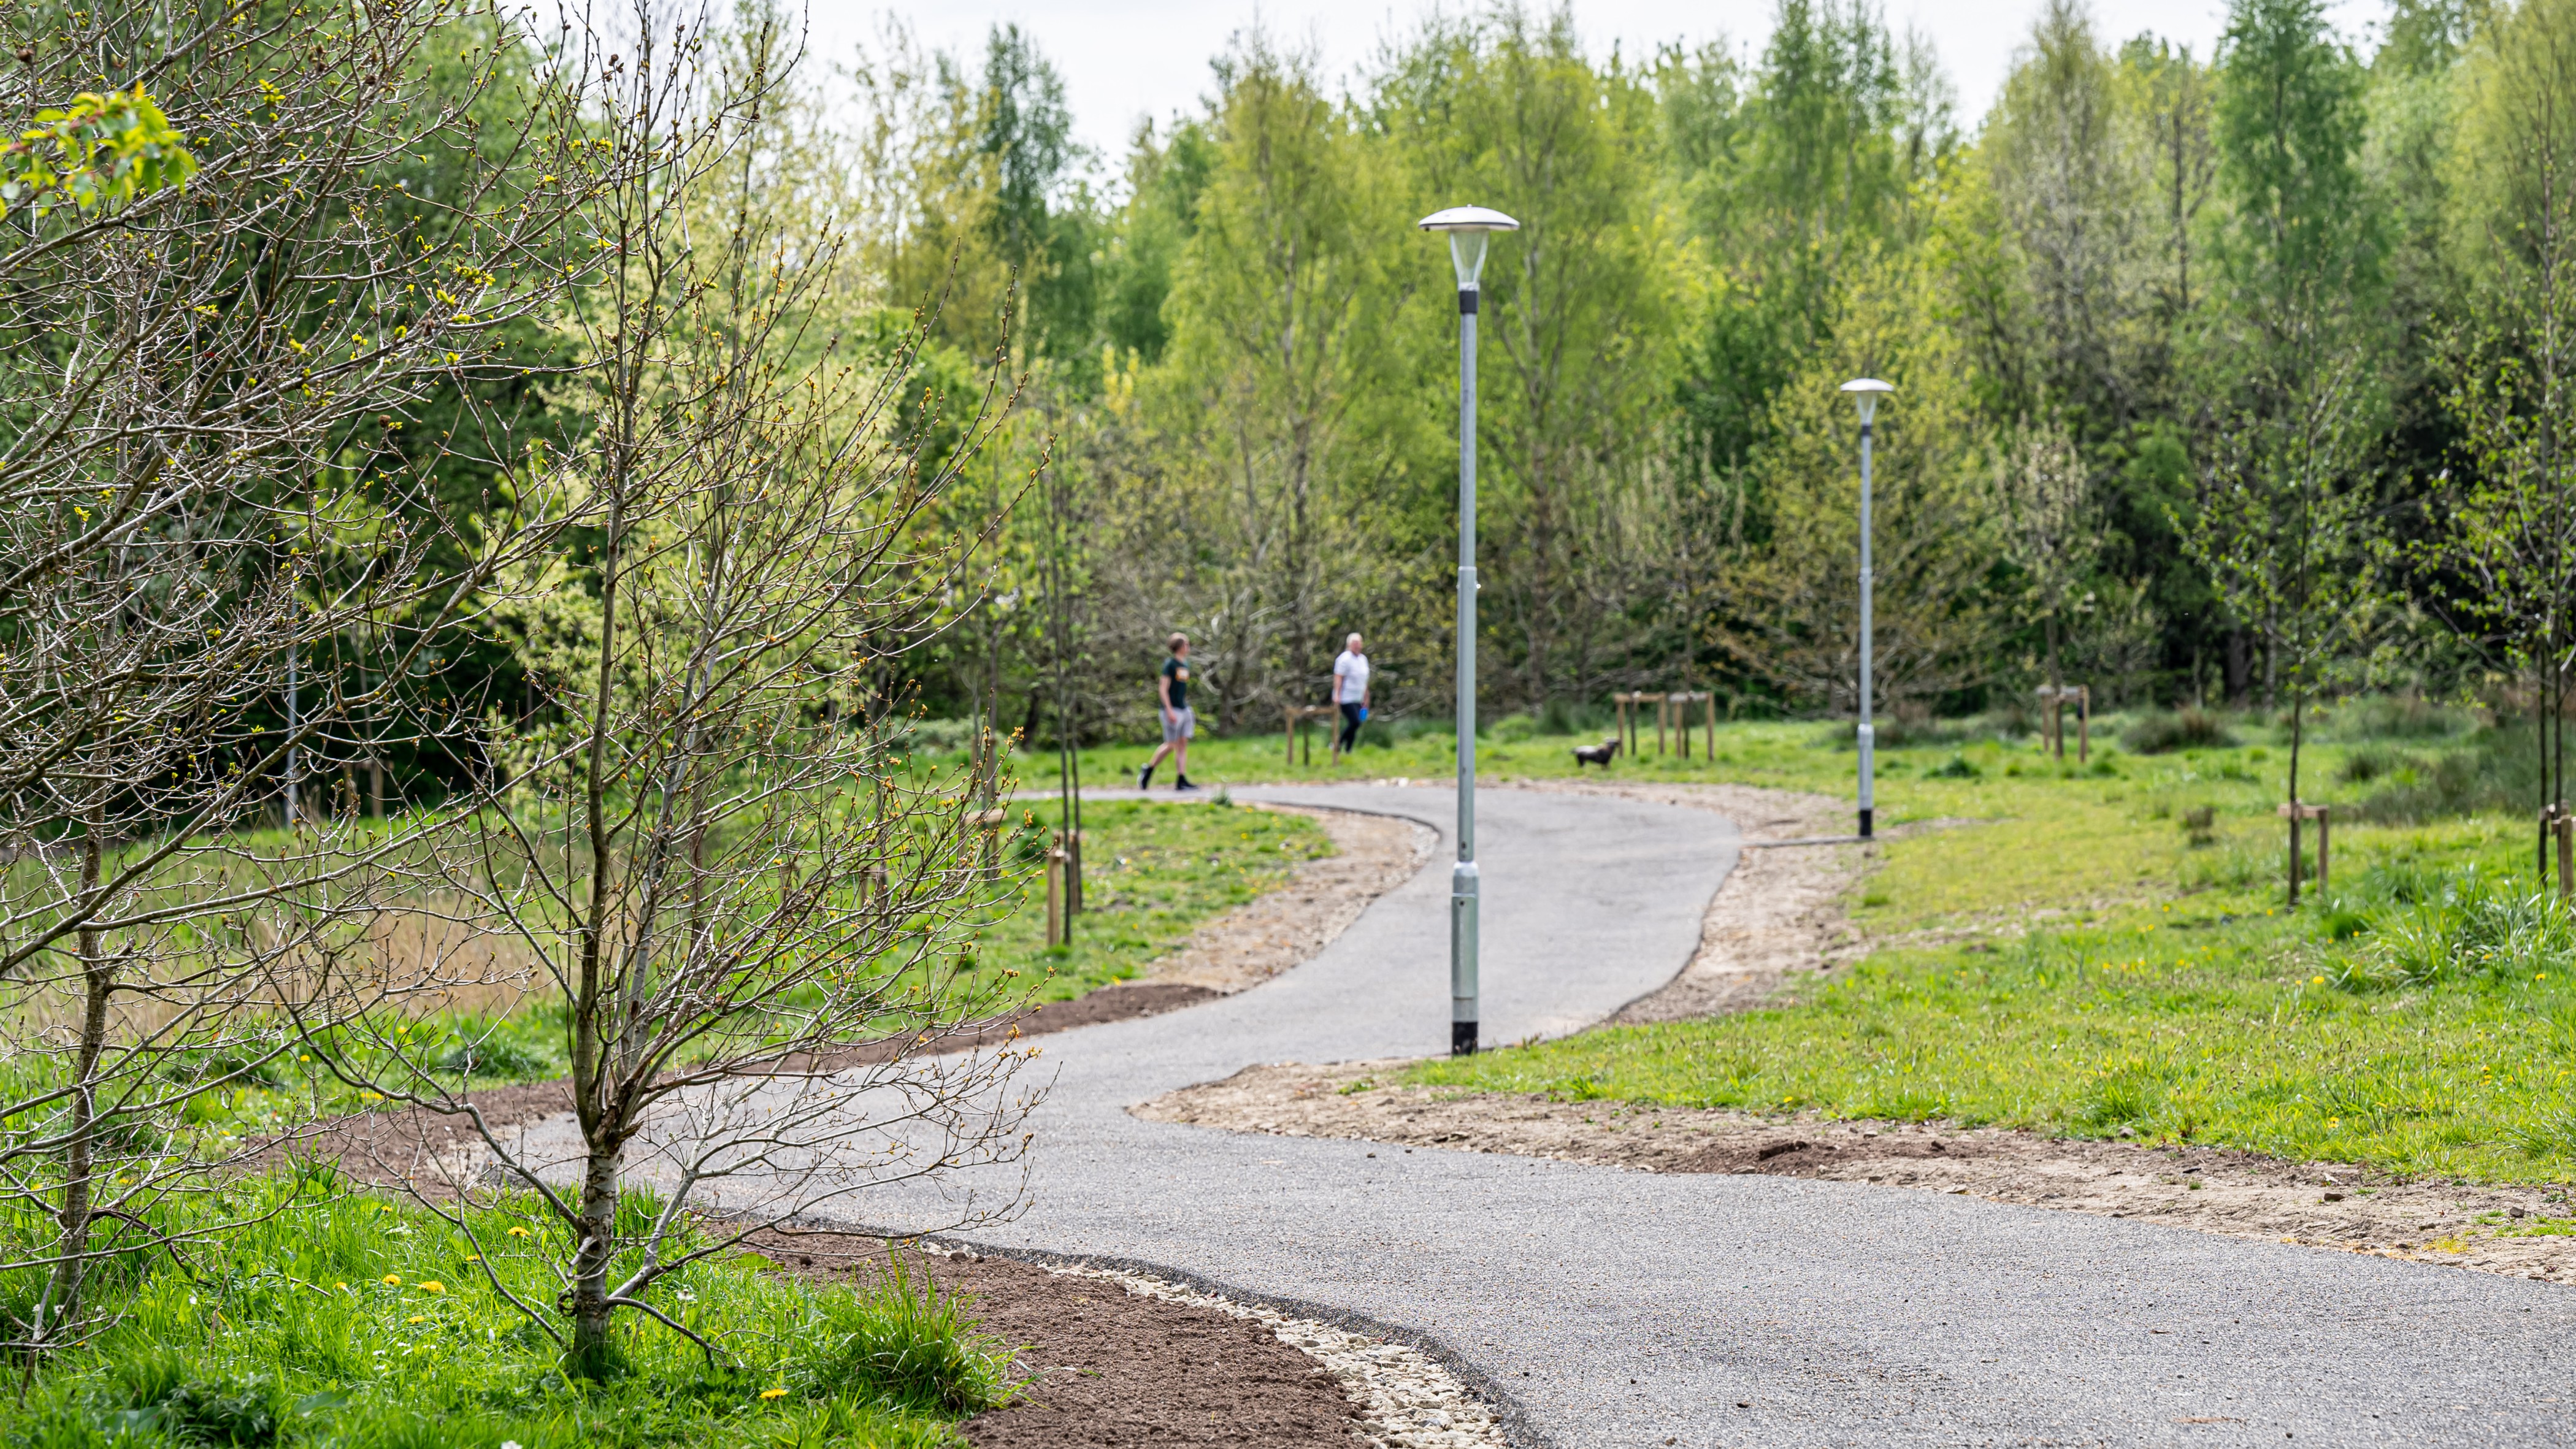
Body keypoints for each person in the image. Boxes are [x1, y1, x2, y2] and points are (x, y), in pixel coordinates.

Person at [1138, 632, 1198, 791]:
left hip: (1184, 709)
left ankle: (1181, 779)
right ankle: (1148, 770)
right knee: (1171, 745)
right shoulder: (1170, 665)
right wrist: (1170, 710)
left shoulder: (1185, 665)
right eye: (1186, 644)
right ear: (1179, 646)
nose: (1188, 647)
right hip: (1171, 711)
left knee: (1183, 744)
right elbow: (1163, 689)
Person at [1332, 633, 1371, 760]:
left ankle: (1348, 750)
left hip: (1358, 696)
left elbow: (1364, 680)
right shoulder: (1344, 659)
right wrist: (1337, 695)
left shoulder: (1363, 659)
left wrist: (1366, 696)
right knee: (1355, 721)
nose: (1357, 645)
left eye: (1359, 643)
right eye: (1355, 643)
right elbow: (1338, 678)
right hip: (1345, 697)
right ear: (1349, 645)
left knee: (1355, 724)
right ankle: (1338, 743)